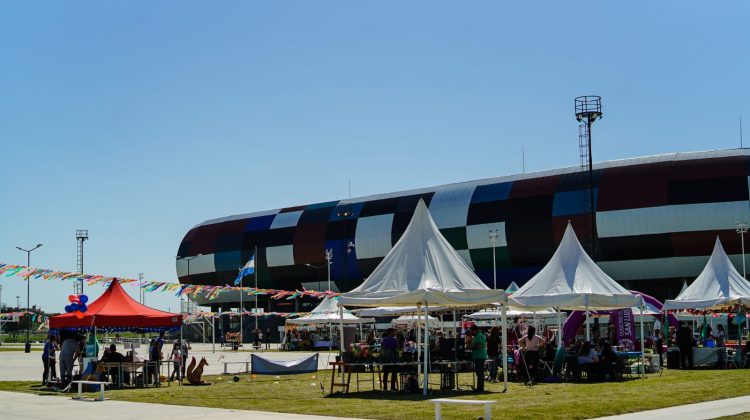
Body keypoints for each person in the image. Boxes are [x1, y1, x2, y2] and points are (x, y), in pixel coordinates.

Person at [469, 325, 486, 392]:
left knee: (480, 373)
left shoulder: (479, 336)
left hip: (480, 356)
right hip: (478, 356)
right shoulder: (477, 336)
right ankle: (479, 387)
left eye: (472, 331)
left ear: (475, 330)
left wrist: (471, 347)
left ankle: (480, 388)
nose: (471, 333)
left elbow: (479, 346)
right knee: (479, 373)